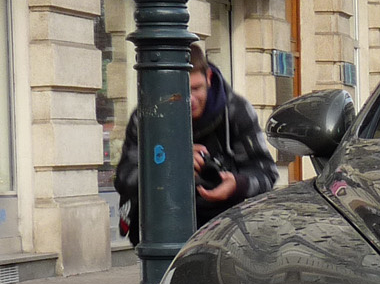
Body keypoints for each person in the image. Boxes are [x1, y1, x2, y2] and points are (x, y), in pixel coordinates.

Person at [115, 42, 278, 245]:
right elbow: (124, 178)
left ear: (209, 78)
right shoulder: (147, 116)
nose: (190, 99)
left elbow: (266, 174)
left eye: (196, 88)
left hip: (224, 232)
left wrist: (237, 185)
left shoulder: (235, 111)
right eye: (180, 91)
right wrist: (170, 162)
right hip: (160, 232)